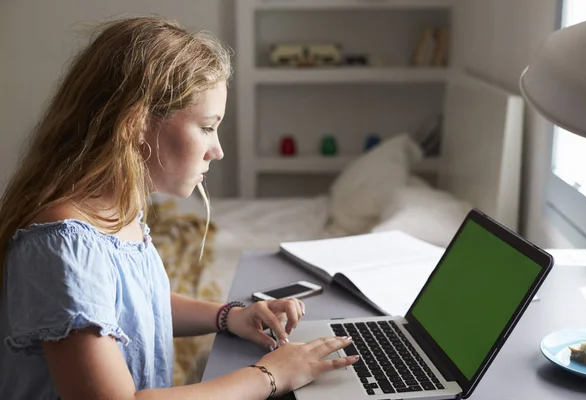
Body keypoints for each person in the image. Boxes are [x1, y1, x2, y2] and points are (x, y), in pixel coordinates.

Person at [0, 15, 358, 399]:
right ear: (135, 123)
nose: (217, 150)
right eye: (207, 127)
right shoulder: (64, 246)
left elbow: (139, 307)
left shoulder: (117, 213)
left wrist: (229, 315)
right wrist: (270, 375)